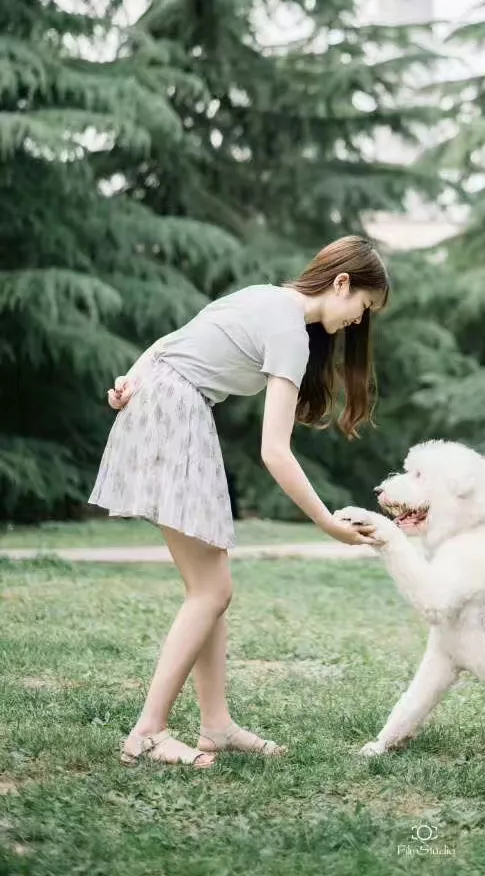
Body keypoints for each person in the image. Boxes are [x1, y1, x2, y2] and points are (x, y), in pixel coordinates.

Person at [88, 235, 389, 769]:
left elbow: (167, 341)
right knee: (210, 590)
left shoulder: (262, 297)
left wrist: (130, 381)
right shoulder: (291, 330)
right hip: (177, 409)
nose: (356, 323)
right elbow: (274, 451)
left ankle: (216, 724)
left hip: (166, 399)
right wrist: (326, 523)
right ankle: (147, 732)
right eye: (362, 309)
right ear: (342, 283)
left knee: (212, 588)